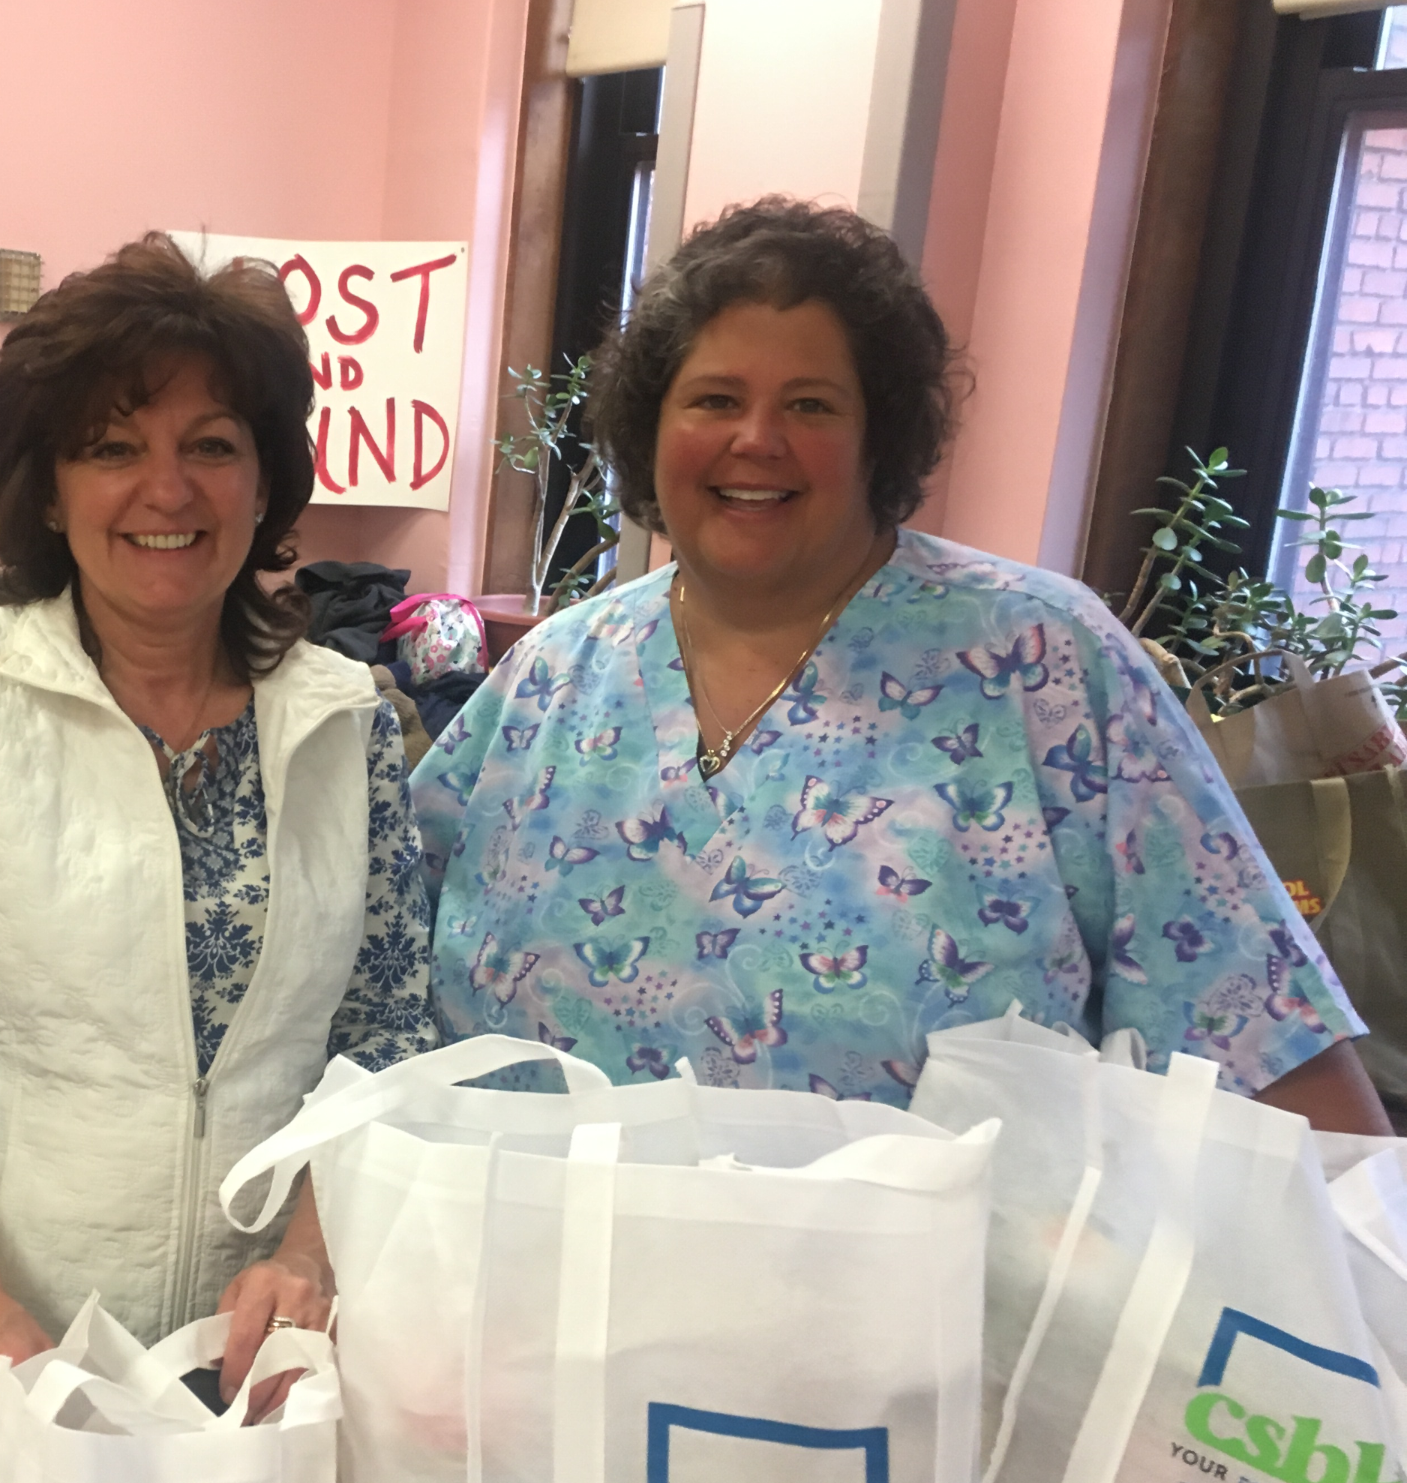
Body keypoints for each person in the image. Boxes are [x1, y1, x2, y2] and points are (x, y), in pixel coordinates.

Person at [411, 198, 1384, 1132]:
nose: (757, 439)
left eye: (811, 403)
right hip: (535, 1239)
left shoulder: (1042, 662)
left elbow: (1259, 1032)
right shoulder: (551, 677)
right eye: (715, 399)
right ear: (650, 428)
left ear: (879, 438)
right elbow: (376, 956)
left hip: (949, 1252)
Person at [0, 233, 438, 1473]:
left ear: (265, 481)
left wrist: (310, 1256)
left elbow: (384, 1036)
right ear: (48, 489)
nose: (168, 489)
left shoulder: (346, 720)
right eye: (111, 447)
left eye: (212, 445)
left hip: (251, 1374)